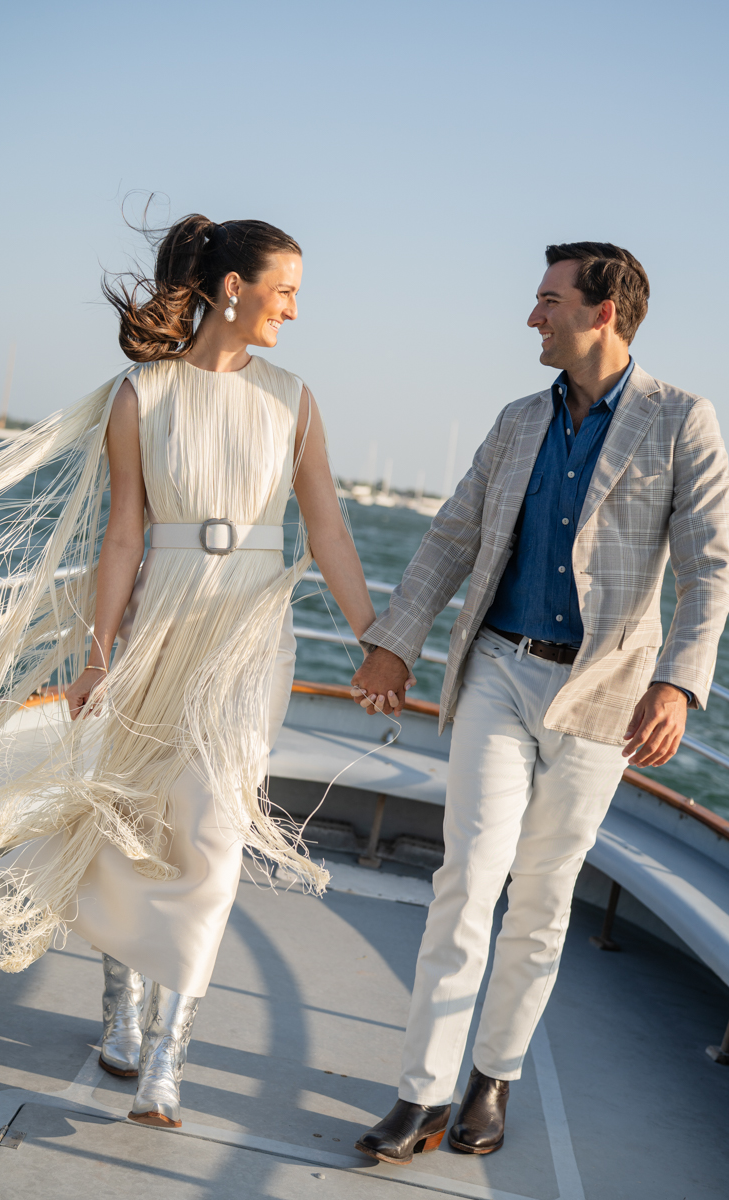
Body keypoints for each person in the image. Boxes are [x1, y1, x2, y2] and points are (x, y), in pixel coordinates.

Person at [0, 213, 376, 1128]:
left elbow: (325, 525)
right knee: (132, 816)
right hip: (158, 622)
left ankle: (171, 1050)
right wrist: (98, 658)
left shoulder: (294, 397)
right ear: (232, 288)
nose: (294, 307)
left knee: (213, 835)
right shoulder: (143, 396)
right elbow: (123, 534)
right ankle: (119, 1011)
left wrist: (378, 635)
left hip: (247, 629)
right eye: (284, 289)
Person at [349, 242, 729, 1164]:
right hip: (499, 672)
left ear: (603, 312)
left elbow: (710, 567)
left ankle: (493, 1077)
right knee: (466, 883)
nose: (533, 318)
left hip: (606, 696)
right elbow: (452, 535)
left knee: (544, 896)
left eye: (548, 301)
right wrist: (391, 641)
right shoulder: (518, 419)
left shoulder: (684, 421)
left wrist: (679, 682)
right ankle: (422, 1091)